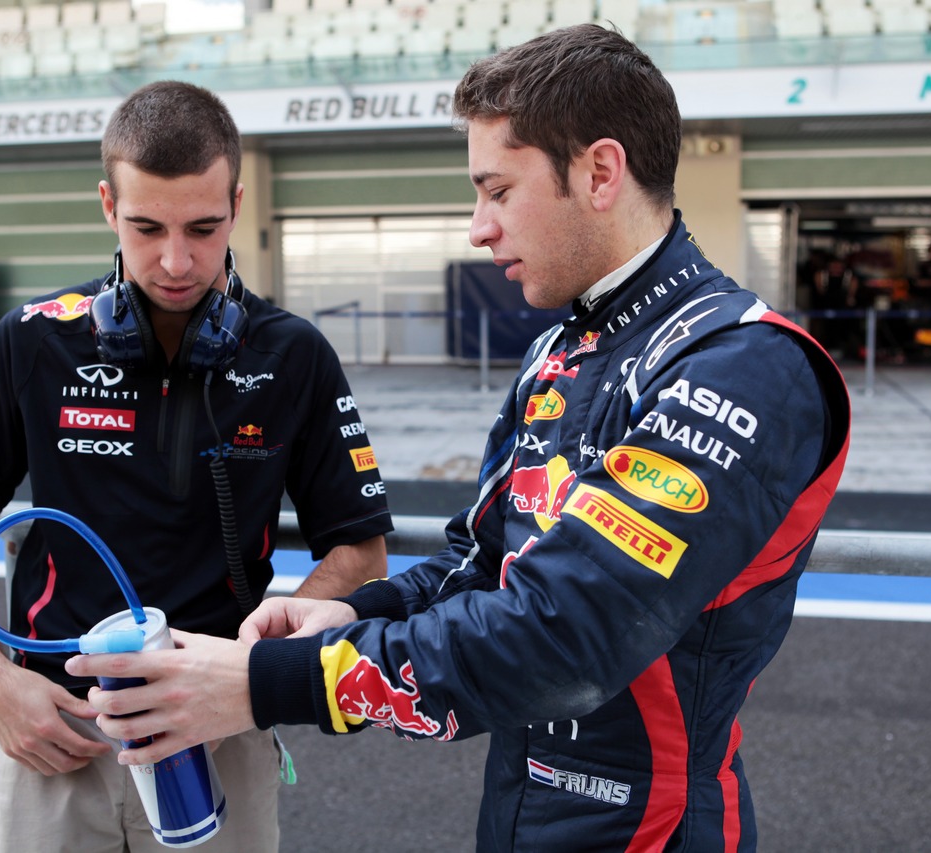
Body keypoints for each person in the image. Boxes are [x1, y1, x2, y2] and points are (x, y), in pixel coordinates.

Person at [68, 26, 851, 851]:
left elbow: (564, 636)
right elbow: (482, 565)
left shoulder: (744, 367)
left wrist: (266, 684)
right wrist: (345, 610)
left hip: (652, 829)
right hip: (520, 810)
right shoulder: (563, 351)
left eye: (497, 190)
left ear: (599, 172)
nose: (478, 228)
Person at [0, 80, 392, 852]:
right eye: (146, 227)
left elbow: (360, 550)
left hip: (217, 728)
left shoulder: (294, 353)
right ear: (108, 204)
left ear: (238, 202)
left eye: (204, 227)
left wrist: (250, 673)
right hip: (57, 729)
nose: (176, 261)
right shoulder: (32, 340)